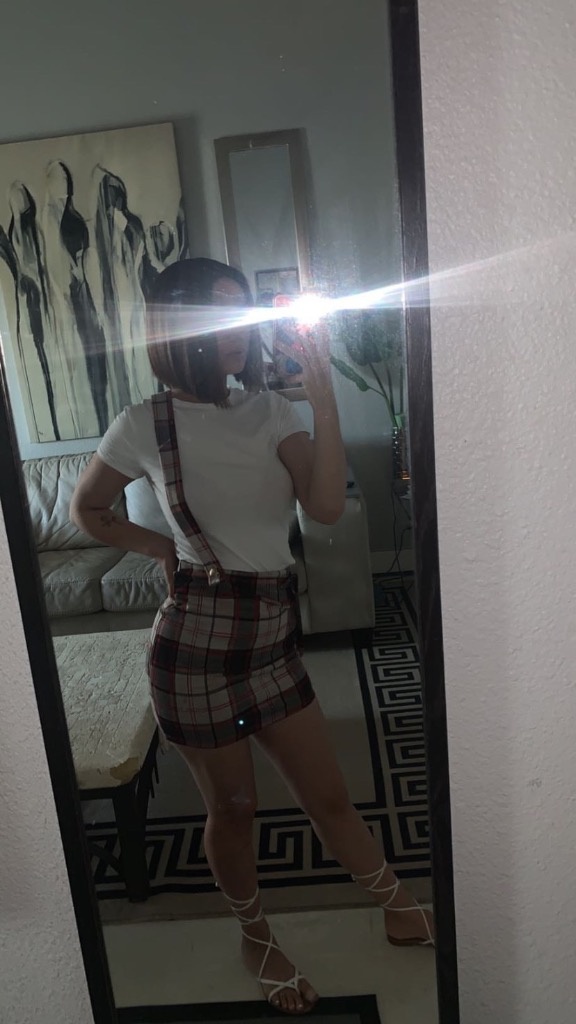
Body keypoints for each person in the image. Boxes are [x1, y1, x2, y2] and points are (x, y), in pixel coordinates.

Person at [70, 257, 433, 1016]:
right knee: (235, 809)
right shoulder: (143, 423)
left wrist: (323, 398)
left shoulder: (270, 410)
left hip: (271, 638)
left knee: (328, 795)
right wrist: (161, 549)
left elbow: (324, 508)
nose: (236, 330)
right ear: (176, 326)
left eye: (243, 311)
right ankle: (256, 936)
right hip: (193, 650)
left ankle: (398, 904)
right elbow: (89, 511)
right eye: (217, 312)